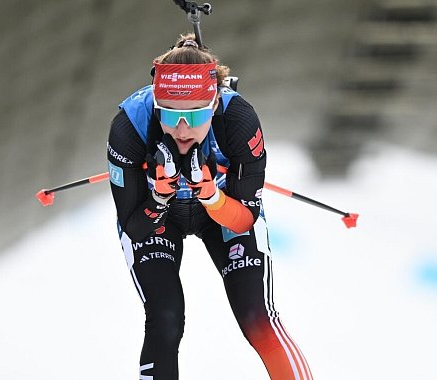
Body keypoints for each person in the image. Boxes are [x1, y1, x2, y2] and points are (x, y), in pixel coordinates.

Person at [106, 33, 314, 380]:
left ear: (215, 103)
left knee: (256, 315)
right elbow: (134, 226)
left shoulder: (239, 119)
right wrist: (158, 199)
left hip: (224, 207)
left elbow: (245, 216)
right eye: (170, 116)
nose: (183, 129)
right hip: (156, 216)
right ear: (156, 105)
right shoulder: (129, 126)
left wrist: (211, 196)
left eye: (195, 114)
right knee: (166, 317)